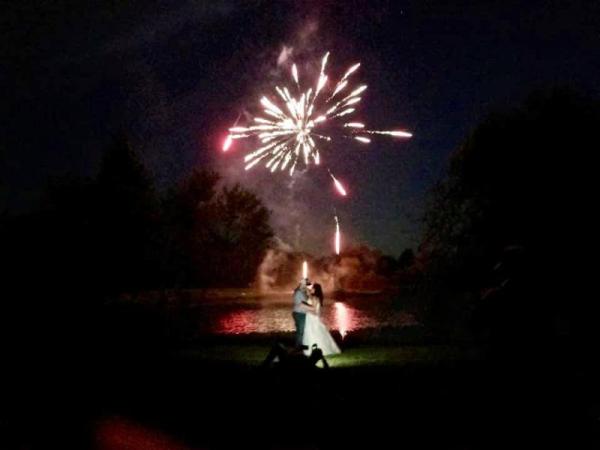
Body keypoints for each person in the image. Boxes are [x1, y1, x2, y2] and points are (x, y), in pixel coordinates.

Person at [302, 283, 341, 356]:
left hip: (312, 318)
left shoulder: (314, 298)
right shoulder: (316, 297)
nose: (311, 289)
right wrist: (306, 289)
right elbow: (308, 294)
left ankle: (313, 350)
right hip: (313, 318)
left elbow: (314, 310)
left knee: (312, 333)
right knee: (315, 333)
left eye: (313, 288)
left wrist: (304, 306)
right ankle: (315, 349)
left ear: (315, 289)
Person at [261, 341, 329, 371]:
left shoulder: (310, 364)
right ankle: (265, 366)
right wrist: (322, 358)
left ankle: (263, 367)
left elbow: (326, 370)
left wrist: (297, 349)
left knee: (278, 346)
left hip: (286, 364)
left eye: (314, 351)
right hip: (287, 361)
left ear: (314, 355)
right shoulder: (309, 362)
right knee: (279, 346)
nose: (312, 351)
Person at [292, 278, 314, 349]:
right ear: (301, 284)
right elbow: (300, 304)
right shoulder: (298, 292)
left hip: (301, 313)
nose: (305, 285)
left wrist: (309, 293)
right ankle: (298, 346)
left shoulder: (302, 292)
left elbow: (307, 301)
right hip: (299, 313)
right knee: (300, 330)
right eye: (304, 284)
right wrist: (312, 308)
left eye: (306, 284)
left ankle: (299, 345)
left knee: (301, 330)